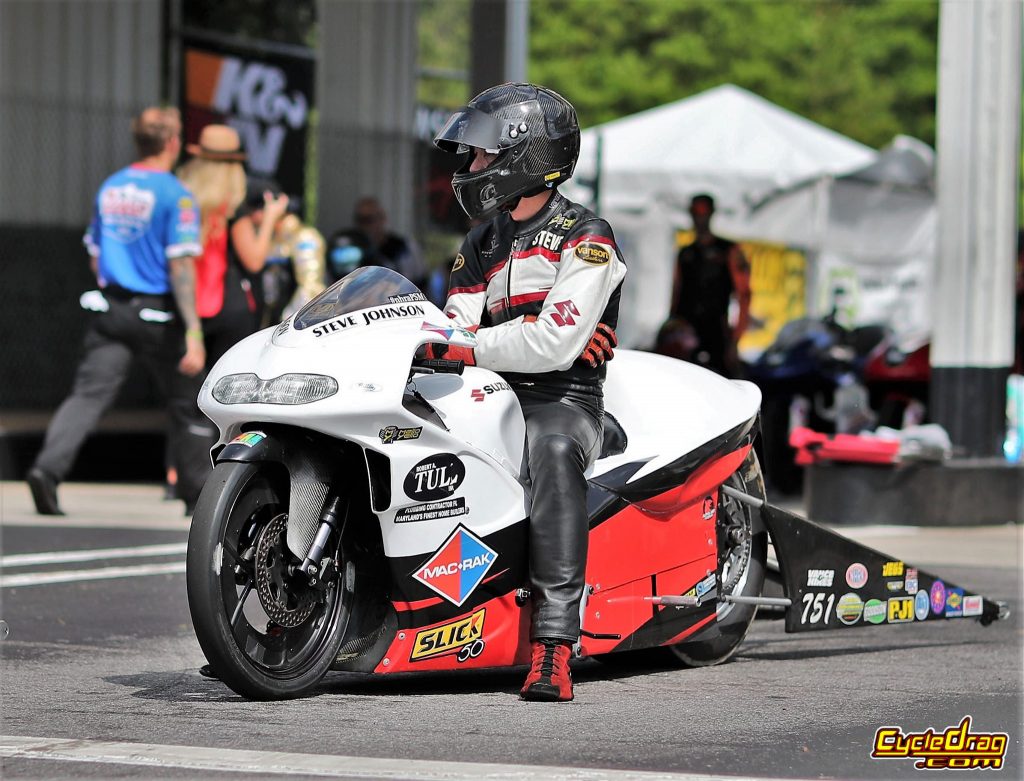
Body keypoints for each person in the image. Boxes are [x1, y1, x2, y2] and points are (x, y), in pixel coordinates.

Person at [432, 82, 627, 701]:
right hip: (487, 392)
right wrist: (465, 344)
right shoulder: (480, 242)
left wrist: (477, 343)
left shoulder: (587, 233)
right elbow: (453, 327)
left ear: (529, 154)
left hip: (562, 400)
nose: (472, 167)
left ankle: (552, 643)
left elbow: (553, 347)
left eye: (484, 155)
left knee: (549, 448)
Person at [26, 106, 209, 515]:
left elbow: (95, 255)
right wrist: (193, 331)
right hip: (157, 312)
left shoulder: (111, 188)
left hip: (111, 308)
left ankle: (46, 470)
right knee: (186, 401)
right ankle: (198, 495)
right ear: (173, 143)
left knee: (88, 396)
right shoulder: (176, 195)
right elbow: (181, 265)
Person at [669, 194, 751, 377]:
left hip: (717, 334)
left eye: (703, 213)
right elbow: (676, 293)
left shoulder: (729, 251)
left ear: (711, 214)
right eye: (696, 213)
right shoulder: (686, 254)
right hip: (686, 333)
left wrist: (735, 340)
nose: (699, 218)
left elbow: (744, 295)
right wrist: (672, 325)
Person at [229, 179, 291, 330]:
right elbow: (254, 262)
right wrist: (269, 219)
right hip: (235, 311)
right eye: (259, 207)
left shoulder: (292, 233)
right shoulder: (241, 221)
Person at [336, 196, 427, 289]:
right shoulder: (349, 251)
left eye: (369, 219)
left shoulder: (405, 247)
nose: (364, 226)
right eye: (360, 220)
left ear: (382, 218)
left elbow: (421, 280)